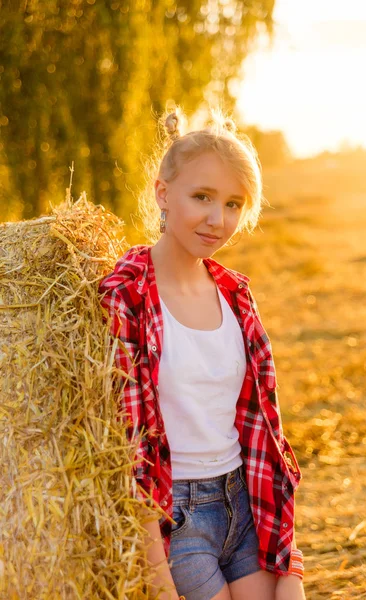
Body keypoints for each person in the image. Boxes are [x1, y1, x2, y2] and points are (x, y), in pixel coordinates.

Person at [98, 106, 305, 600]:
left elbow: (267, 428)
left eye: (234, 204)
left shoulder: (236, 295)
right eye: (203, 197)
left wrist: (289, 560)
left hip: (245, 503)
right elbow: (130, 448)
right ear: (163, 193)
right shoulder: (125, 297)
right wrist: (156, 574)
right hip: (178, 519)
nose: (218, 220)